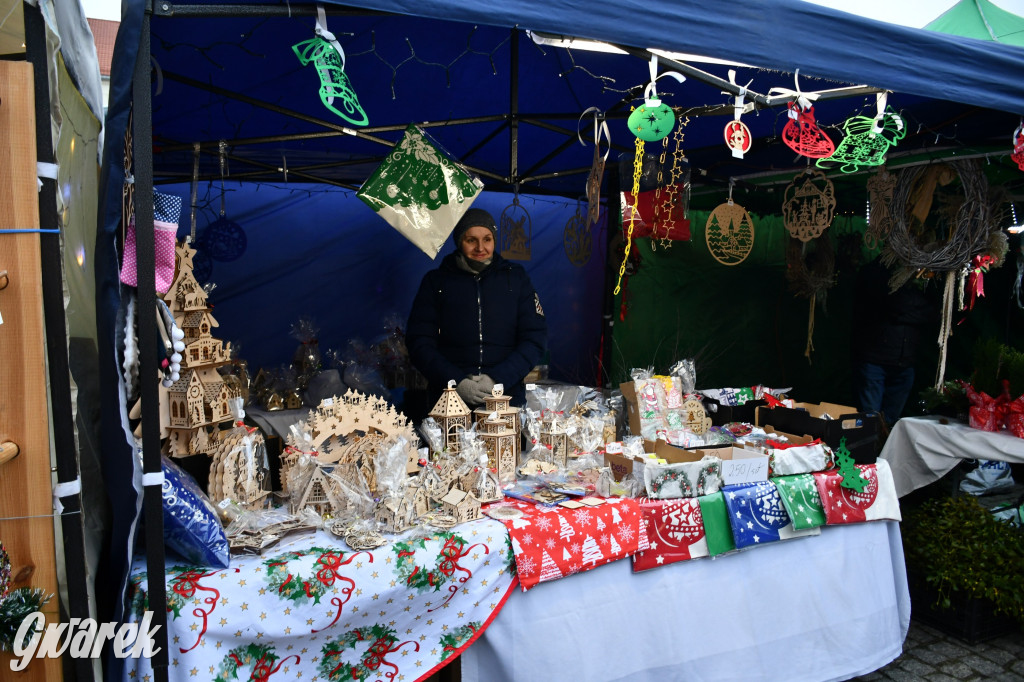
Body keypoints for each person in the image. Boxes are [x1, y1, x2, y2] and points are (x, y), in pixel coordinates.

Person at [406, 208, 547, 410]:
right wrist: (456, 382)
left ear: (494, 240)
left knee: (502, 443)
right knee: (448, 444)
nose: (480, 247)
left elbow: (534, 338)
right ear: (458, 241)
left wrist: (497, 380)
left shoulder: (516, 279)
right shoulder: (436, 282)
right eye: (471, 240)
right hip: (449, 404)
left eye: (487, 239)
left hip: (505, 401)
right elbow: (419, 342)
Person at [851, 257, 934, 427]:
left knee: (889, 424)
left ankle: (880, 450)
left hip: (904, 362)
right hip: (874, 359)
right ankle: (867, 452)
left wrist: (908, 309)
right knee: (869, 421)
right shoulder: (876, 270)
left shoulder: (923, 272)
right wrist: (914, 309)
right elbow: (893, 304)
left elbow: (931, 313)